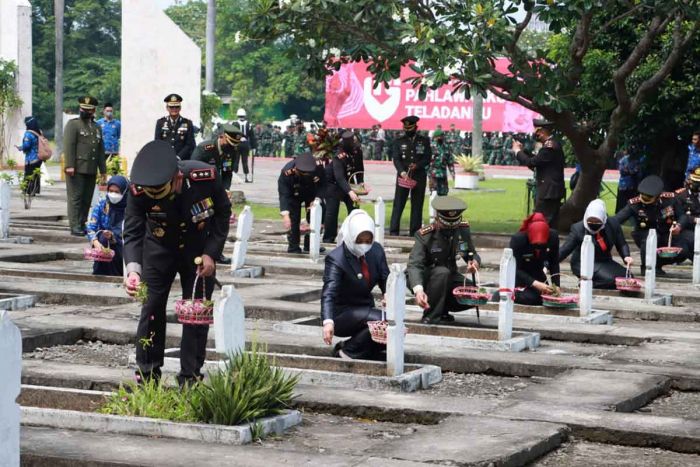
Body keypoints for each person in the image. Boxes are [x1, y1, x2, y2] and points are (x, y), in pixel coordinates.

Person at [123, 140, 231, 386]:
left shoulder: (204, 176)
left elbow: (223, 213)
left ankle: (190, 377)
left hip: (197, 250)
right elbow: (132, 231)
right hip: (158, 250)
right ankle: (147, 376)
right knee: (151, 308)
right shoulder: (139, 188)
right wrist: (133, 271)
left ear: (178, 178)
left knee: (196, 312)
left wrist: (211, 254)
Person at [321, 210, 390, 360]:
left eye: (368, 240)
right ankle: (349, 351)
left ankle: (351, 347)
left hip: (365, 307)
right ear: (351, 236)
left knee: (391, 333)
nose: (364, 245)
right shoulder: (336, 259)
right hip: (342, 313)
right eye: (360, 240)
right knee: (384, 322)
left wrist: (388, 294)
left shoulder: (376, 250)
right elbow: (329, 293)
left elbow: (386, 279)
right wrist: (327, 322)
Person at [407, 196, 480, 324]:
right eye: (447, 225)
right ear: (437, 219)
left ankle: (443, 310)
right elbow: (414, 264)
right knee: (442, 273)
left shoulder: (461, 230)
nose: (451, 229)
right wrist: (418, 290)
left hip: (449, 275)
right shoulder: (425, 235)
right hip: (426, 277)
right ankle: (431, 316)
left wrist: (474, 262)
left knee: (474, 295)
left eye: (454, 225)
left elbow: (469, 252)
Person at [614, 175, 691, 276]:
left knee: (683, 251)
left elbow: (683, 216)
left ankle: (657, 264)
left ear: (658, 196)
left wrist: (679, 226)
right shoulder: (634, 204)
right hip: (644, 235)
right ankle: (645, 267)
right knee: (651, 238)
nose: (645, 201)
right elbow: (617, 219)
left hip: (666, 234)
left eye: (649, 199)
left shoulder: (670, 199)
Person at [559, 199, 633, 289]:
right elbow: (565, 250)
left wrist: (626, 256)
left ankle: (593, 281)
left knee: (629, 277)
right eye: (590, 221)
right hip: (584, 262)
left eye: (597, 222)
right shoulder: (578, 229)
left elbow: (622, 244)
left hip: (605, 261)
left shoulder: (613, 224)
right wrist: (547, 264)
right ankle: (587, 284)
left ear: (603, 219)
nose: (593, 224)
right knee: (610, 280)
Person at [64, 96, 107, 236]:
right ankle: (75, 225)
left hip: (91, 168)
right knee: (76, 198)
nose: (85, 111)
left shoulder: (96, 127)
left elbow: (100, 150)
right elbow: (69, 146)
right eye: (83, 108)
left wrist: (103, 171)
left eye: (88, 109)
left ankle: (82, 223)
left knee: (86, 198)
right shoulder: (73, 124)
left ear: (93, 110)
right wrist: (69, 165)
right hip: (76, 168)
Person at [513, 119, 565, 227]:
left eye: (537, 132)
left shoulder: (549, 147)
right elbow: (537, 162)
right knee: (548, 224)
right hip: (550, 191)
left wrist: (517, 152)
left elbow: (531, 162)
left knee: (541, 224)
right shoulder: (550, 146)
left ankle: (541, 243)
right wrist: (524, 151)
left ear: (542, 132)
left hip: (548, 192)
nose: (536, 135)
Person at [390, 116, 432, 236]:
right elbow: (396, 159)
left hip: (418, 176)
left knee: (417, 205)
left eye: (410, 128)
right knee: (398, 204)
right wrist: (402, 172)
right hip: (403, 176)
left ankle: (414, 232)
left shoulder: (424, 141)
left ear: (415, 127)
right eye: (406, 128)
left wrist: (418, 165)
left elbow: (427, 158)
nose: (407, 130)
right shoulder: (399, 141)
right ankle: (394, 231)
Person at [278, 152, 326, 253]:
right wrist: (285, 215)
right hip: (294, 194)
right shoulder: (287, 172)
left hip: (312, 193)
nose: (307, 175)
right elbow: (284, 195)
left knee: (316, 217)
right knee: (294, 219)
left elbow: (323, 185)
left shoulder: (318, 167)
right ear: (297, 170)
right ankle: (293, 246)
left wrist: (317, 199)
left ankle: (311, 244)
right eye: (304, 173)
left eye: (309, 173)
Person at [510, 213, 560, 306]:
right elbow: (515, 268)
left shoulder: (553, 237)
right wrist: (535, 283)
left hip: (539, 275)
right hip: (520, 278)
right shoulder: (518, 240)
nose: (539, 246)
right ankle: (509, 294)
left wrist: (556, 285)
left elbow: (554, 263)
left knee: (547, 297)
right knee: (532, 299)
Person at [323, 131, 364, 243]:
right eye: (353, 145)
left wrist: (360, 183)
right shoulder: (339, 156)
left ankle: (354, 235)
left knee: (355, 207)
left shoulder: (357, 151)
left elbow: (360, 169)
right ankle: (328, 238)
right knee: (332, 209)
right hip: (333, 184)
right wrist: (350, 192)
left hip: (348, 183)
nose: (355, 147)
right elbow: (339, 177)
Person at [86, 175, 129, 276]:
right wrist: (95, 242)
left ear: (125, 191)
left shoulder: (130, 208)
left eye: (117, 192)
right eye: (111, 191)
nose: (113, 194)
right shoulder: (103, 204)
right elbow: (91, 227)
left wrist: (113, 237)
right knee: (103, 238)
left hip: (122, 246)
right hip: (103, 245)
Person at [192, 124, 243, 191]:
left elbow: (227, 172)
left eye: (233, 145)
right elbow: (193, 169)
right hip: (200, 186)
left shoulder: (232, 151)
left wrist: (226, 189)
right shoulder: (204, 149)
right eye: (229, 143)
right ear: (221, 136)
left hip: (217, 188)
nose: (231, 147)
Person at [155, 93, 196, 161]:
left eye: (176, 106)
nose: (174, 109)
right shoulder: (160, 122)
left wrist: (178, 157)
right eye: (171, 107)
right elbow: (158, 143)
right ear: (167, 108)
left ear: (180, 108)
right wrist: (166, 156)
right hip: (165, 160)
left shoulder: (187, 123)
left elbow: (190, 144)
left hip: (182, 160)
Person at [19, 116, 43, 198]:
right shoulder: (39, 132)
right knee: (36, 174)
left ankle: (28, 190)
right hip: (39, 158)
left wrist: (21, 147)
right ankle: (34, 190)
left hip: (31, 158)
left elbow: (26, 146)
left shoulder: (28, 133)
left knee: (28, 173)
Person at [616, 149, 644, 213]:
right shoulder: (623, 160)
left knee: (632, 202)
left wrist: (631, 171)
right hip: (624, 185)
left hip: (633, 185)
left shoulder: (638, 160)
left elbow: (637, 171)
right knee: (622, 202)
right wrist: (632, 171)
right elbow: (622, 170)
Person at [429, 130, 455, 196]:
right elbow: (425, 161)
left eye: (442, 136)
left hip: (443, 174)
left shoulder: (446, 147)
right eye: (439, 137)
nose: (441, 138)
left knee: (444, 193)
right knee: (434, 193)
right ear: (435, 137)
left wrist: (453, 174)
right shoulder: (430, 147)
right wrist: (428, 172)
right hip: (433, 174)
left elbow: (450, 162)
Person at [234, 108, 256, 182]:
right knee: (245, 161)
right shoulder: (249, 124)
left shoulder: (234, 123)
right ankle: (246, 177)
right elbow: (252, 136)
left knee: (236, 160)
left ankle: (234, 176)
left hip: (237, 143)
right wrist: (253, 147)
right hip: (245, 144)